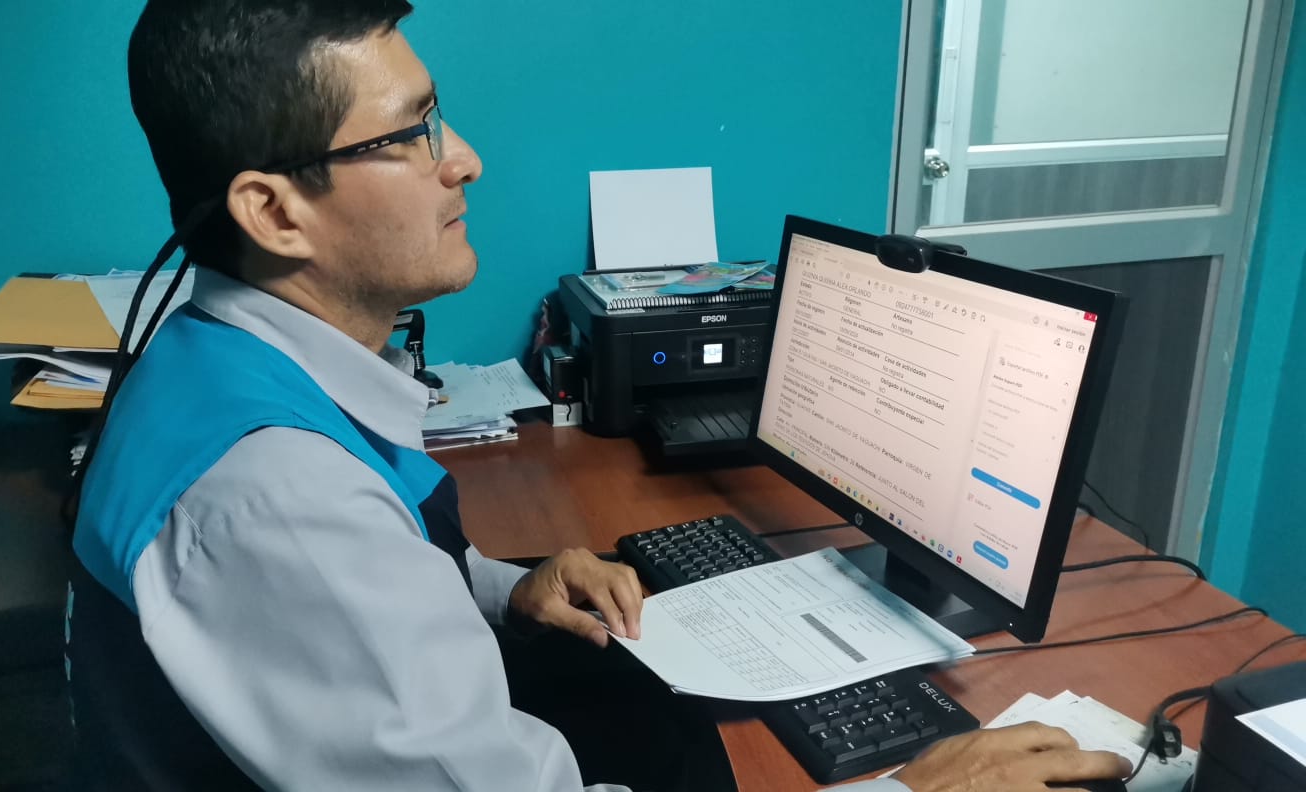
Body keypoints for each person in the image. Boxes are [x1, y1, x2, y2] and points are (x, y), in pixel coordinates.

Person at [67, 1, 1134, 790]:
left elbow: (359, 584)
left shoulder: (215, 361)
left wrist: (500, 590)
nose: (464, 162)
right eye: (410, 134)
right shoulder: (280, 493)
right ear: (273, 212)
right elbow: (328, 569)